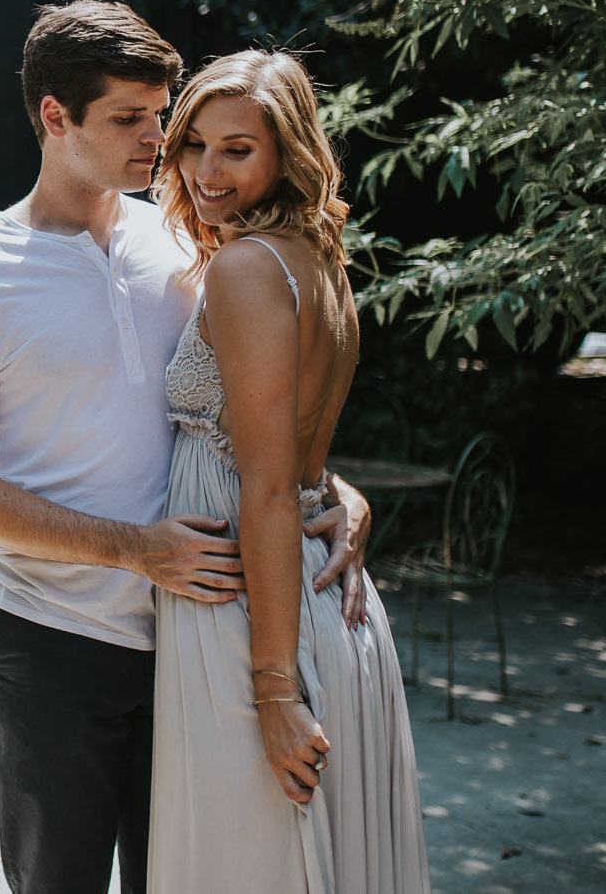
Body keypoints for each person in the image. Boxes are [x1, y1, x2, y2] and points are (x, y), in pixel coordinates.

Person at [0, 1, 372, 894]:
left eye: (161, 114)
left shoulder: (186, 239)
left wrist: (335, 490)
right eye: (131, 118)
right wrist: (135, 549)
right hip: (55, 642)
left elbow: (244, 415)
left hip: (200, 641)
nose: (160, 141)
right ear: (55, 116)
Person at [147, 49, 428, 892]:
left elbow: (268, 486)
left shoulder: (246, 268)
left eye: (237, 149)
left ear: (287, 152)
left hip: (250, 612)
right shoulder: (320, 261)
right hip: (312, 592)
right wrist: (345, 494)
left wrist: (273, 691)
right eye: (194, 143)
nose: (206, 170)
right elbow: (300, 454)